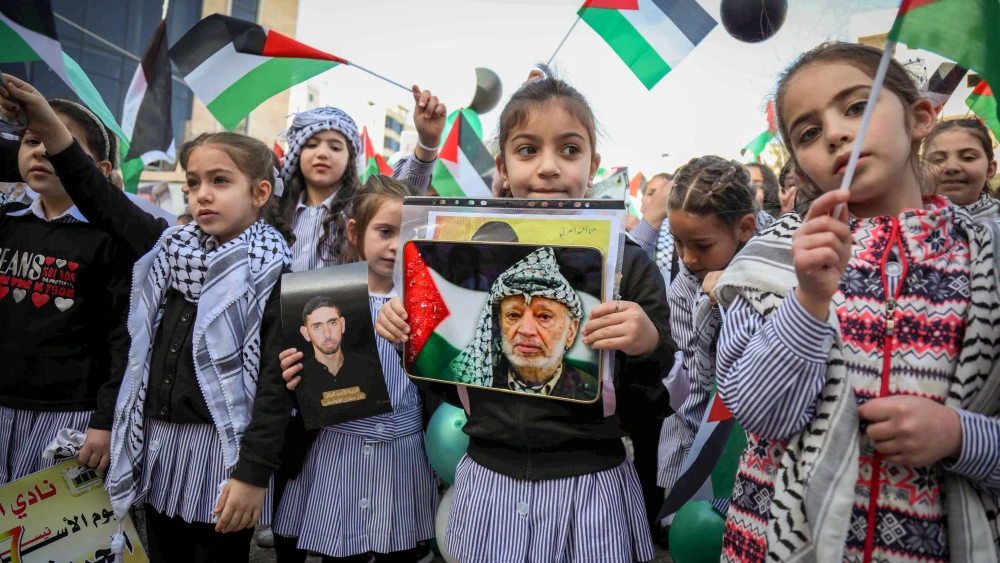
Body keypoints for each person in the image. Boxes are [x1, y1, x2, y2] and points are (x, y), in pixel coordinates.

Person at [713, 42, 1000, 563]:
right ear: (798, 167)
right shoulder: (767, 261)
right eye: (809, 132)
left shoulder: (988, 261)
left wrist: (961, 435)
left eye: (855, 107)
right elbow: (760, 413)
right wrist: (809, 300)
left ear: (919, 118)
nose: (837, 133)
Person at [376, 66, 676, 563]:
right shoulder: (464, 253)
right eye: (528, 149)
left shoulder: (628, 263)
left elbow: (655, 399)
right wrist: (411, 336)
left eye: (570, 149)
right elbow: (448, 385)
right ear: (504, 166)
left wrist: (646, 344)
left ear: (593, 164)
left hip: (592, 489)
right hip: (488, 485)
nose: (549, 167)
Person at [2, 77, 296, 561]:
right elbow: (96, 194)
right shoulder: (167, 249)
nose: (202, 194)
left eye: (220, 181)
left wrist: (251, 476)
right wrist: (44, 122)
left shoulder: (277, 277)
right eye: (194, 182)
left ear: (260, 191)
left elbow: (272, 388)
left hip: (222, 459)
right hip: (161, 452)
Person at [274, 175, 437, 563]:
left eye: (412, 234)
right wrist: (290, 374)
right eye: (385, 231)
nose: (397, 245)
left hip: (402, 455)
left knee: (400, 550)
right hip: (337, 452)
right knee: (339, 552)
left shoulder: (432, 303)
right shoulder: (320, 298)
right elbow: (302, 380)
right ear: (354, 231)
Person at [0, 79, 132, 486]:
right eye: (31, 141)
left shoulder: (113, 239)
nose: (41, 151)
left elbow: (123, 339)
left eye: (57, 145)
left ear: (101, 170)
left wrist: (105, 422)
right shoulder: (7, 222)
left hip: (70, 416)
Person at [655, 157, 764, 514]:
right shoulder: (684, 289)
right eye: (678, 243)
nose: (687, 259)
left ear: (745, 228)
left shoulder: (784, 263)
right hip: (709, 437)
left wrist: (729, 304)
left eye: (702, 245)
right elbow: (692, 385)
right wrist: (689, 469)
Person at [279, 88, 444, 272]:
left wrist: (428, 142)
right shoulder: (277, 211)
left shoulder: (361, 206)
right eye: (311, 145)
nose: (322, 153)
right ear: (297, 153)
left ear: (350, 158)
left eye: (334, 147)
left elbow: (403, 191)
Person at [448, 246, 598, 401]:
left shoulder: (591, 393)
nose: (526, 330)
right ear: (499, 324)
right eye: (513, 315)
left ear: (571, 332)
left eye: (544, 316)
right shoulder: (476, 383)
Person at [297, 296, 383, 395]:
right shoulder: (299, 378)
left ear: (342, 324)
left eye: (332, 323)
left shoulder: (371, 368)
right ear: (305, 333)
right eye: (317, 327)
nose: (327, 334)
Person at [923, 117, 999, 221]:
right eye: (938, 159)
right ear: (921, 169)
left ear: (990, 170)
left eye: (968, 158)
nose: (951, 167)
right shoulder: (901, 225)